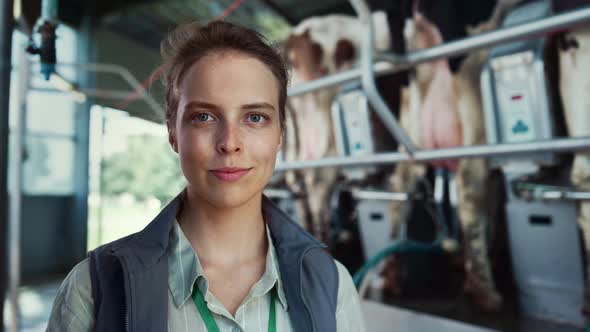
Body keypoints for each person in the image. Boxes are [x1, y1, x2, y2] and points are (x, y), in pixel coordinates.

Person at [46, 20, 366, 332]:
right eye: (204, 117)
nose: (229, 143)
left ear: (280, 133)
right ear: (173, 131)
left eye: (255, 117)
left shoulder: (331, 285)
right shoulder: (93, 290)